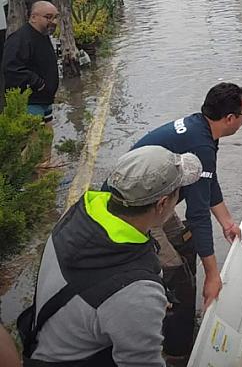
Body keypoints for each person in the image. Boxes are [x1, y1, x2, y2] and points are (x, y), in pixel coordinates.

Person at [19, 146, 202, 367]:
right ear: (162, 204)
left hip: (45, 344)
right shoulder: (137, 292)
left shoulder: (78, 217)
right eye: (177, 192)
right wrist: (141, 310)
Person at [128, 82, 242, 361]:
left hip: (159, 201)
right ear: (230, 118)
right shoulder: (200, 144)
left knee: (186, 242)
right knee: (175, 274)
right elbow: (198, 214)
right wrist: (213, 276)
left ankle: (185, 320)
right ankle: (175, 351)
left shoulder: (202, 129)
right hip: (137, 211)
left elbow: (208, 181)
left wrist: (227, 223)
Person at [2, 0, 59, 123]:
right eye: (48, 17)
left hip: (45, 100)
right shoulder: (19, 39)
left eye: (55, 17)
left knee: (47, 133)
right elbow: (11, 68)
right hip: (30, 102)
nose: (54, 22)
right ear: (33, 17)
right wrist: (38, 83)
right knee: (36, 134)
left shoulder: (43, 35)